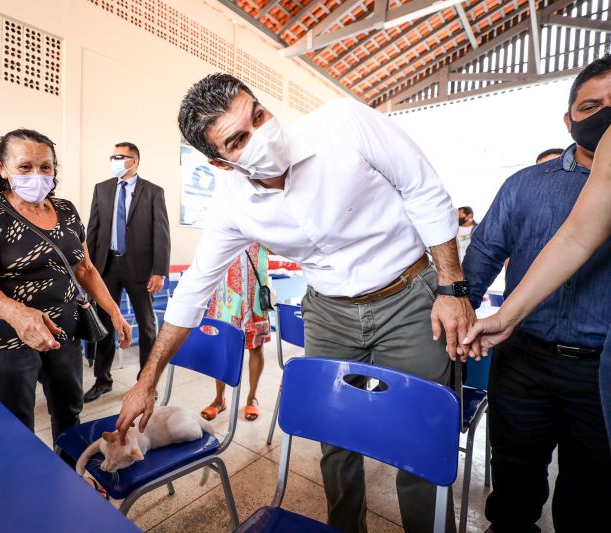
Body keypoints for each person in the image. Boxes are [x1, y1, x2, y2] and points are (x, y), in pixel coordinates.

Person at [116, 73, 475, 533]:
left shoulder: (343, 124)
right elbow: (192, 290)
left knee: (416, 437)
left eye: (259, 116)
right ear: (222, 163)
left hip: (408, 296)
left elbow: (423, 189)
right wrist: (147, 382)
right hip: (328, 310)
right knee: (334, 433)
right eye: (239, 139)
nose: (263, 134)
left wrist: (451, 288)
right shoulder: (232, 205)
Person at [461, 56, 611, 533]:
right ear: (569, 121)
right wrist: (460, 313)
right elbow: (482, 255)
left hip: (600, 370)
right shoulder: (525, 185)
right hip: (524, 359)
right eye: (592, 106)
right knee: (514, 483)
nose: (605, 116)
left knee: (590, 495)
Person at [0, 128, 132, 442]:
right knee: (14, 426)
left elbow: (86, 269)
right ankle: (21, 487)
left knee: (69, 413)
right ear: (2, 168)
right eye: (25, 167)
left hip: (64, 334)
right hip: (9, 340)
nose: (37, 174)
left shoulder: (66, 210)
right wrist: (20, 314)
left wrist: (114, 312)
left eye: (45, 167)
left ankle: (70, 477)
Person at [84, 141, 170, 402]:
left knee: (147, 326)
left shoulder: (153, 191)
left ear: (135, 160)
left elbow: (161, 233)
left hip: (141, 269)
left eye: (120, 156)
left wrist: (159, 271)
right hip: (106, 267)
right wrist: (87, 268)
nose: (115, 160)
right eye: (113, 156)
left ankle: (146, 382)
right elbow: (93, 230)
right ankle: (102, 379)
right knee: (105, 323)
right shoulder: (102, 189)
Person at [200, 243, 270, 422]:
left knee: (256, 347)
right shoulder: (227, 227)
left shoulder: (262, 230)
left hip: (254, 296)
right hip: (226, 296)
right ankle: (219, 399)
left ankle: (251, 397)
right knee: (223, 348)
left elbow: (281, 246)